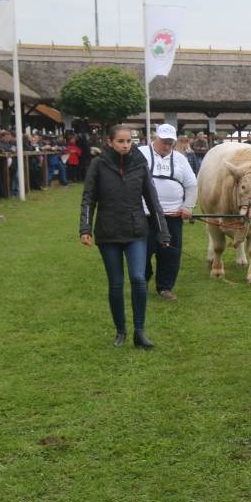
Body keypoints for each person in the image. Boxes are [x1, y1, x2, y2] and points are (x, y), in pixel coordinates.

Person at [79, 126, 171, 349]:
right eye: (120, 141)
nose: (125, 144)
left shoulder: (139, 164)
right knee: (116, 283)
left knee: (139, 279)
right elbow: (88, 198)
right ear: (110, 142)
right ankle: (120, 330)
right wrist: (85, 228)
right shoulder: (98, 165)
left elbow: (152, 201)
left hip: (136, 231)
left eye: (129, 141)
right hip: (108, 232)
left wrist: (163, 231)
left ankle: (140, 331)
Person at [138, 124, 198, 302]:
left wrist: (188, 207)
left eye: (170, 143)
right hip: (145, 215)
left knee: (170, 253)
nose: (166, 146)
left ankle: (165, 287)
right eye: (164, 142)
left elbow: (192, 184)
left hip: (172, 216)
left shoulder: (180, 159)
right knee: (143, 251)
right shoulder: (140, 154)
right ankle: (143, 280)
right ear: (155, 138)